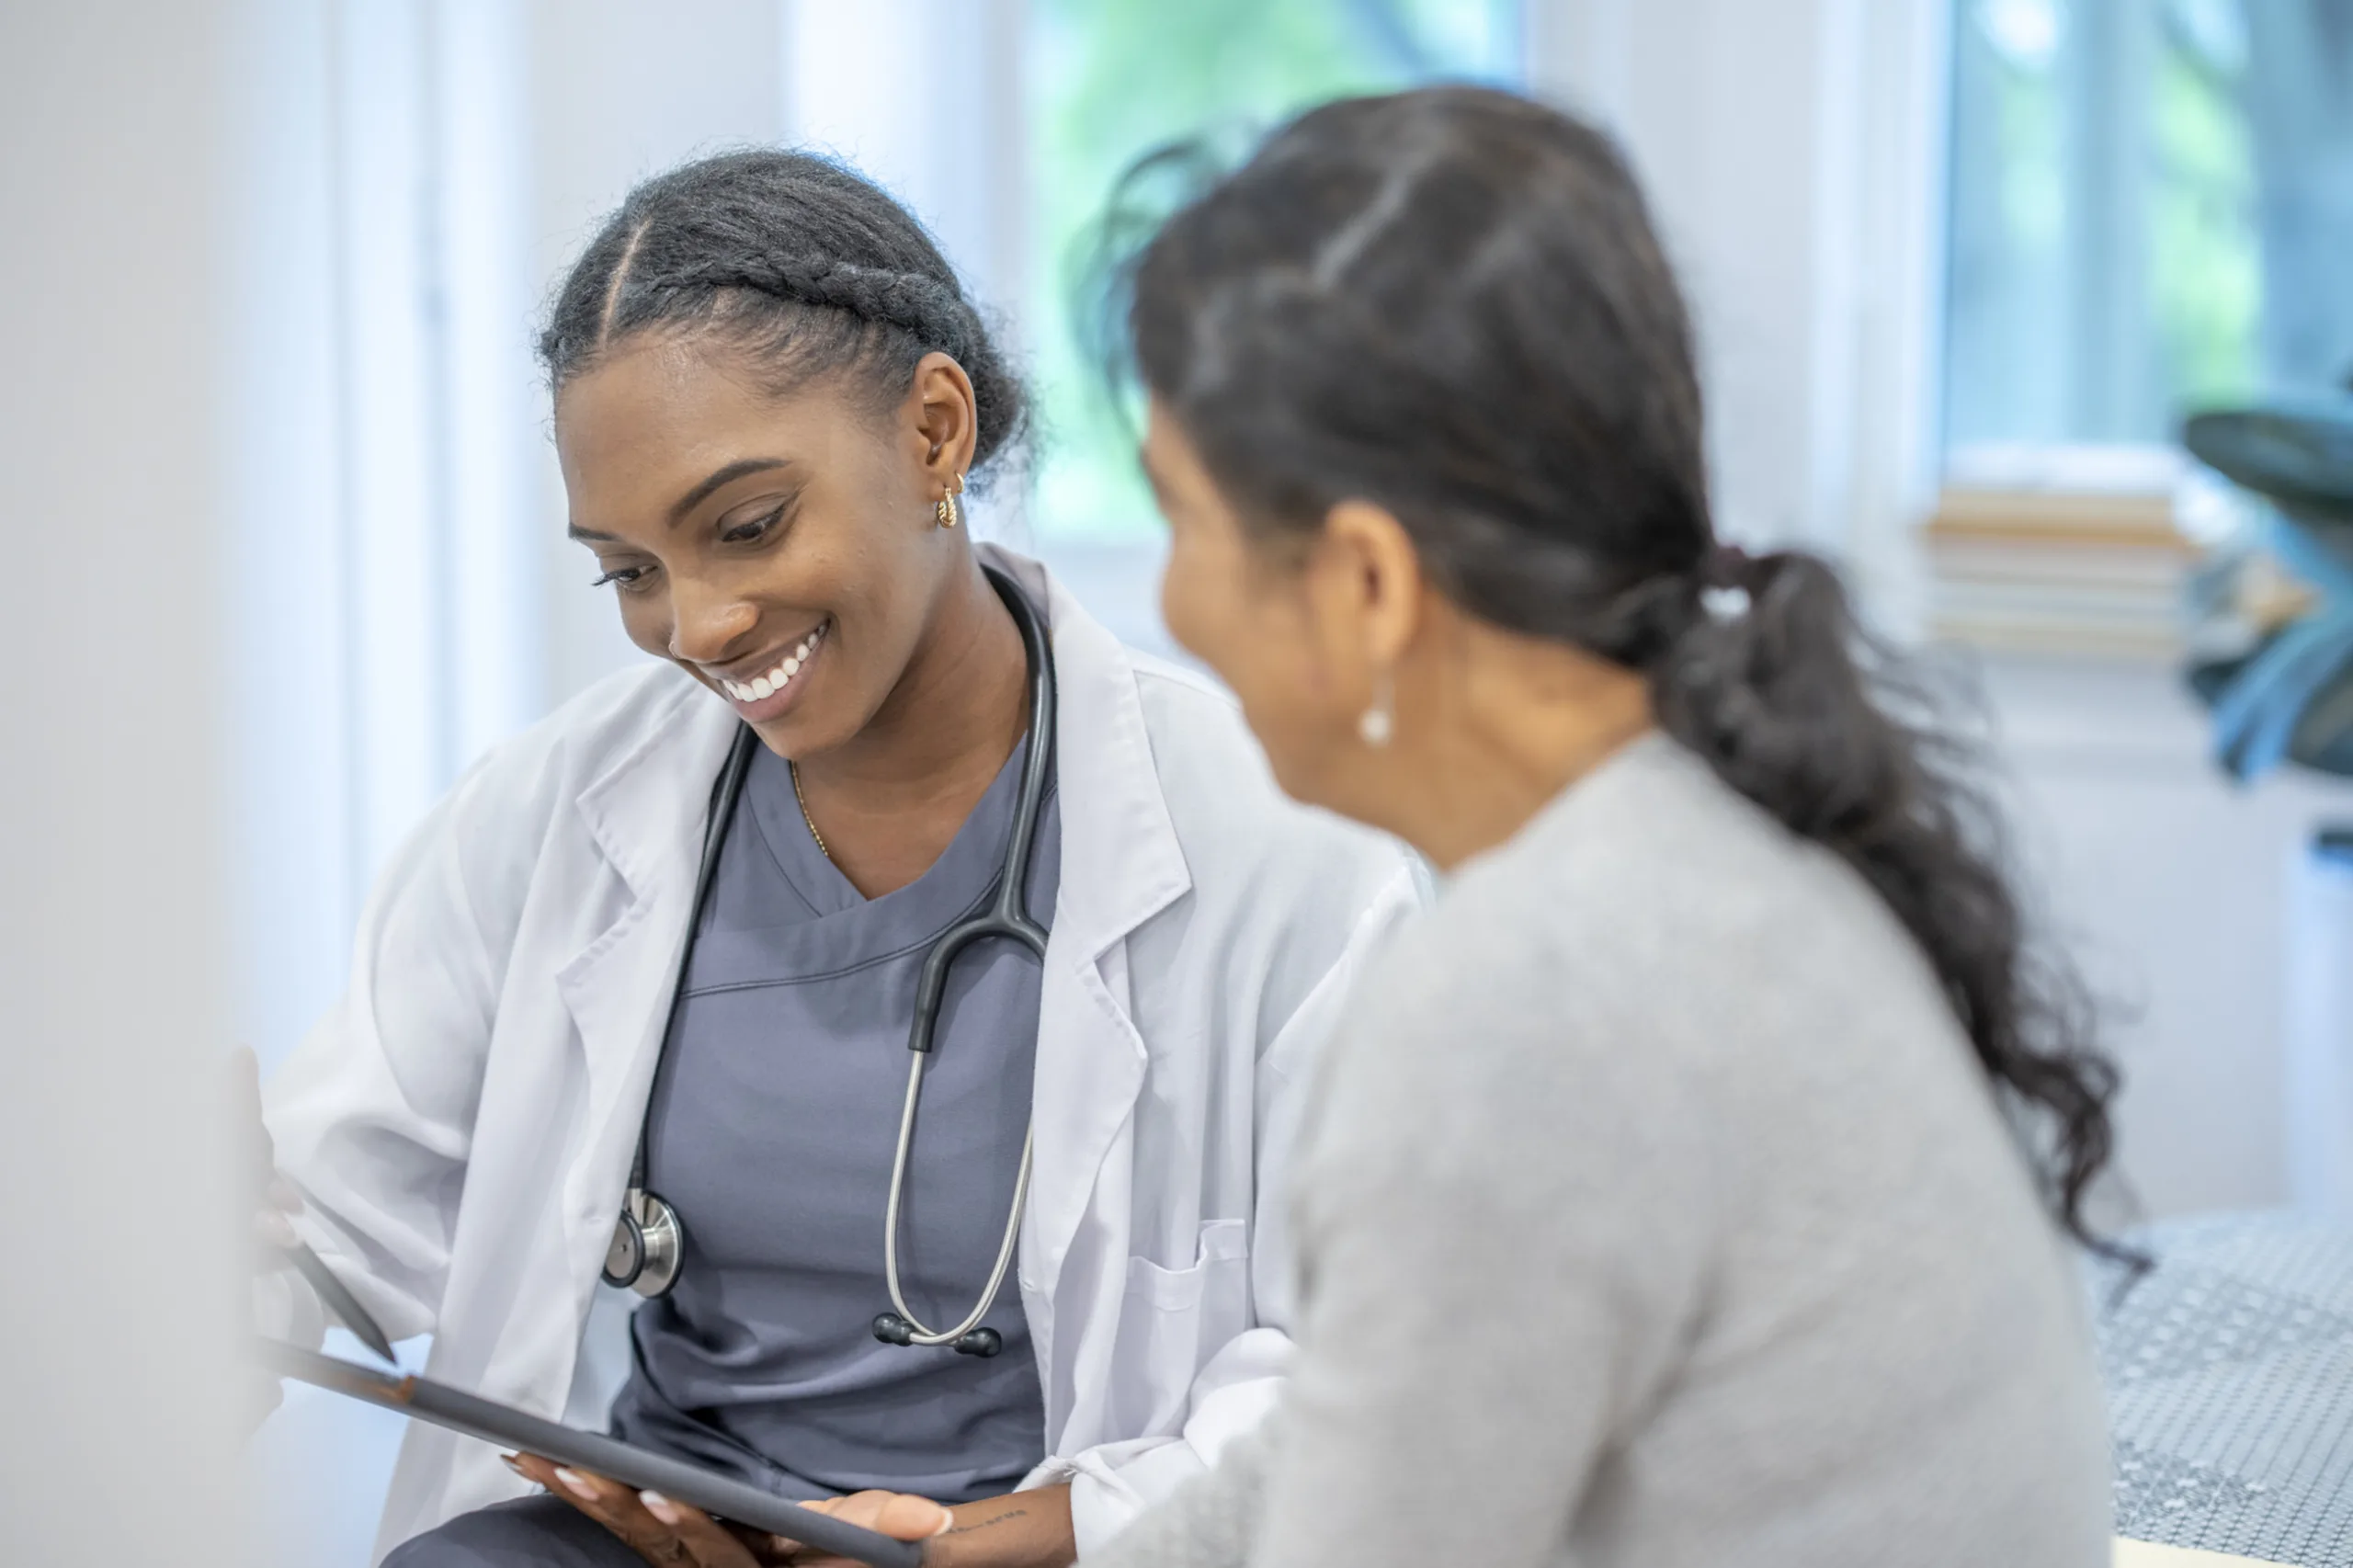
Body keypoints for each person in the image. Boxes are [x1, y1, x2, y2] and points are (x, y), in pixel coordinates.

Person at [255, 149, 1422, 1568]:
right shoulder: (562, 810)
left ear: (935, 431)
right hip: (672, 1535)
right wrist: (247, 1262)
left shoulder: (1275, 846)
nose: (696, 624)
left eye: (747, 527)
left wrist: (1016, 1537)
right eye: (628, 570)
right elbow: (344, 1206)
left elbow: (1376, 1366)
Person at [1068, 86, 2121, 1568]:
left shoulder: (1525, 1000)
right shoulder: (1723, 834)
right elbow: (1363, 1436)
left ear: (1366, 583)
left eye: (1181, 516)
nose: (1168, 603)